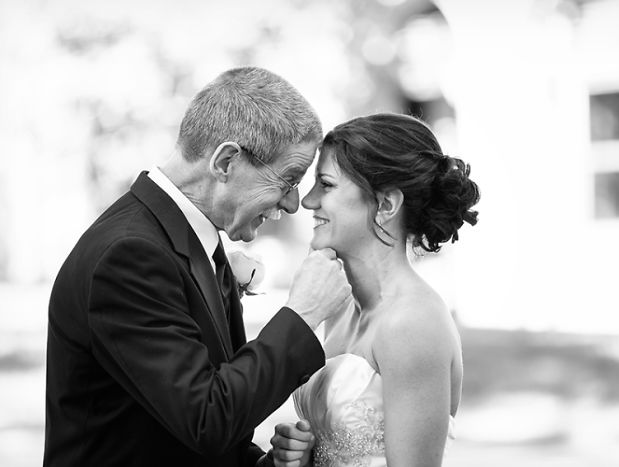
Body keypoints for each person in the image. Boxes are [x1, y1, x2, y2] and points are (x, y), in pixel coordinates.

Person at [43, 66, 353, 467]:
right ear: (226, 162)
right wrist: (302, 314)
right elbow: (207, 420)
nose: (293, 204)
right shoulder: (130, 255)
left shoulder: (183, 240)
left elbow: (184, 421)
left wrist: (264, 463)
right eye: (288, 179)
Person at [269, 113, 480, 467]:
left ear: (385, 204)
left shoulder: (413, 324)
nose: (307, 201)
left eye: (327, 185)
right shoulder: (339, 309)